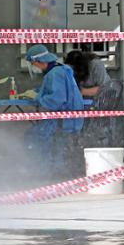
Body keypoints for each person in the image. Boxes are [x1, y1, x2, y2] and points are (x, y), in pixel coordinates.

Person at [24, 44, 84, 179]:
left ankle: (44, 175)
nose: (33, 67)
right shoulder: (61, 70)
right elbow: (55, 91)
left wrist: (37, 97)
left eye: (32, 63)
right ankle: (54, 173)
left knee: (33, 138)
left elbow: (56, 101)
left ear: (40, 61)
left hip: (62, 121)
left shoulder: (55, 74)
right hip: (70, 119)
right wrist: (38, 92)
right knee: (54, 146)